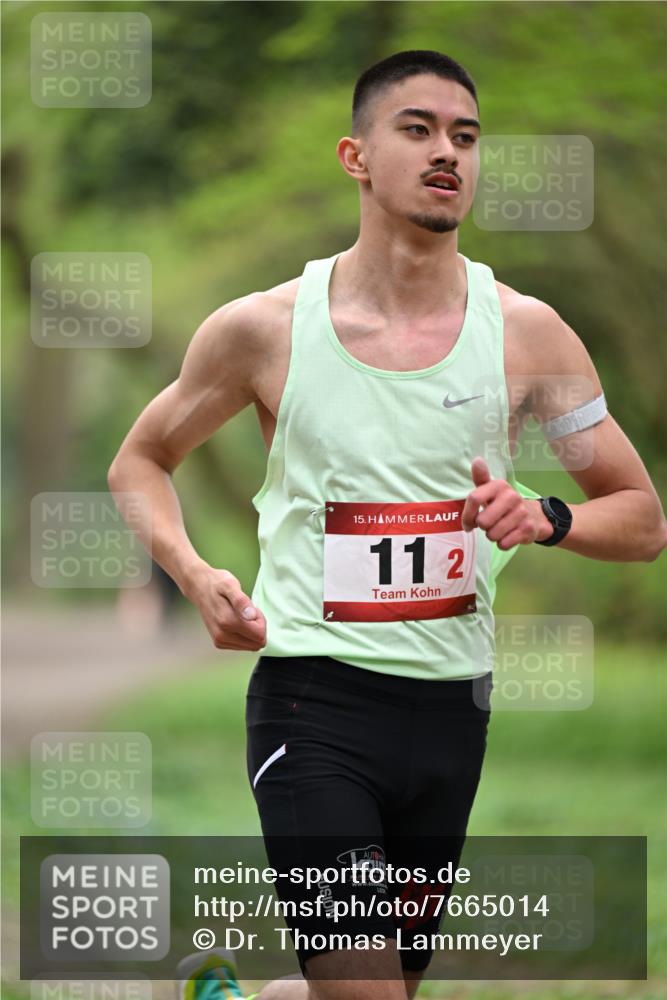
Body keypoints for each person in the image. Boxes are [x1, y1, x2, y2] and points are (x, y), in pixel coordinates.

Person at [108, 49, 667, 1000]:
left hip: (452, 713)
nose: (447, 151)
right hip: (312, 705)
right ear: (355, 157)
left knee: (378, 991)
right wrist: (195, 575)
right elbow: (140, 461)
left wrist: (547, 515)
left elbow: (641, 518)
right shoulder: (264, 330)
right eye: (417, 129)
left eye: (465, 136)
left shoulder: (527, 335)